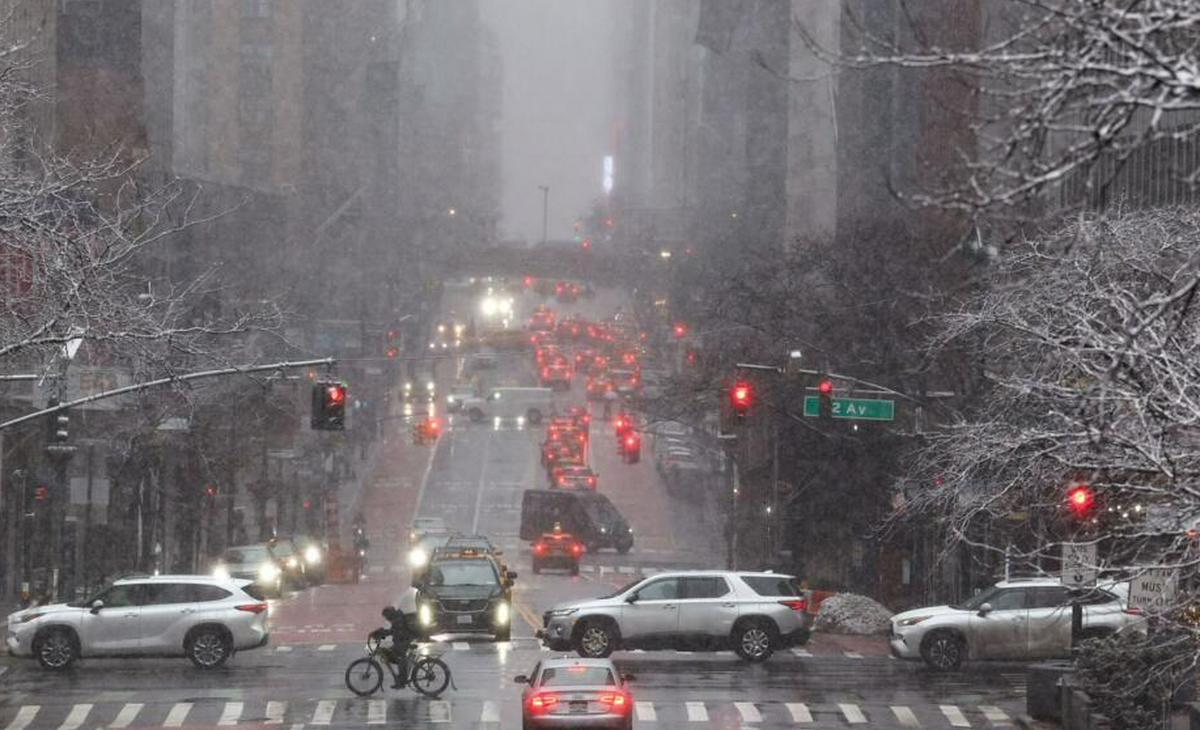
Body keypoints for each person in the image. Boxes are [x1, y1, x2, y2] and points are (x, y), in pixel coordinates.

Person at [372, 606, 418, 688]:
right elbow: (393, 631)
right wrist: (382, 633)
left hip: (404, 641)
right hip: (403, 640)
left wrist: (381, 632)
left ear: (389, 614)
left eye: (386, 616)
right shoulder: (397, 618)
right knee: (393, 655)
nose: (386, 619)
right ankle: (401, 678)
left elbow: (394, 631)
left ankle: (402, 680)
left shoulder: (397, 620)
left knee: (398, 657)